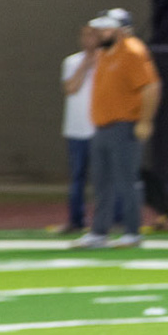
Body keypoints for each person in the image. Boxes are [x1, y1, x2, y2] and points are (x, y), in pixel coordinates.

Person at [77, 8, 158, 249]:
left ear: (121, 30)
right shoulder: (104, 53)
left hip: (124, 125)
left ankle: (132, 232)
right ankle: (98, 232)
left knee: (126, 181)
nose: (101, 32)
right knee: (102, 183)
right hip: (102, 126)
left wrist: (145, 121)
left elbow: (150, 87)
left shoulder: (132, 52)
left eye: (106, 28)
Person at [60, 23, 99, 234]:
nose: (88, 40)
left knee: (103, 178)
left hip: (100, 128)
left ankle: (108, 220)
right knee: (77, 177)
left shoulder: (107, 61)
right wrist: (85, 65)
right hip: (76, 129)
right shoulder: (72, 62)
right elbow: (70, 88)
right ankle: (76, 220)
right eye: (85, 35)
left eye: (92, 36)